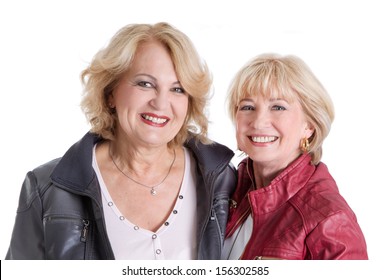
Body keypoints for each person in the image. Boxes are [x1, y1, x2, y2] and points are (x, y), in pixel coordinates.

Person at [6, 22, 236, 260]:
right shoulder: (47, 188)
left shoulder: (221, 178)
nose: (160, 103)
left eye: (177, 89)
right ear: (111, 92)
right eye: (145, 84)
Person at [222, 53, 368, 260]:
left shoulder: (330, 219)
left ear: (309, 125)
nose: (258, 121)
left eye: (278, 107)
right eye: (247, 107)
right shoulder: (226, 189)